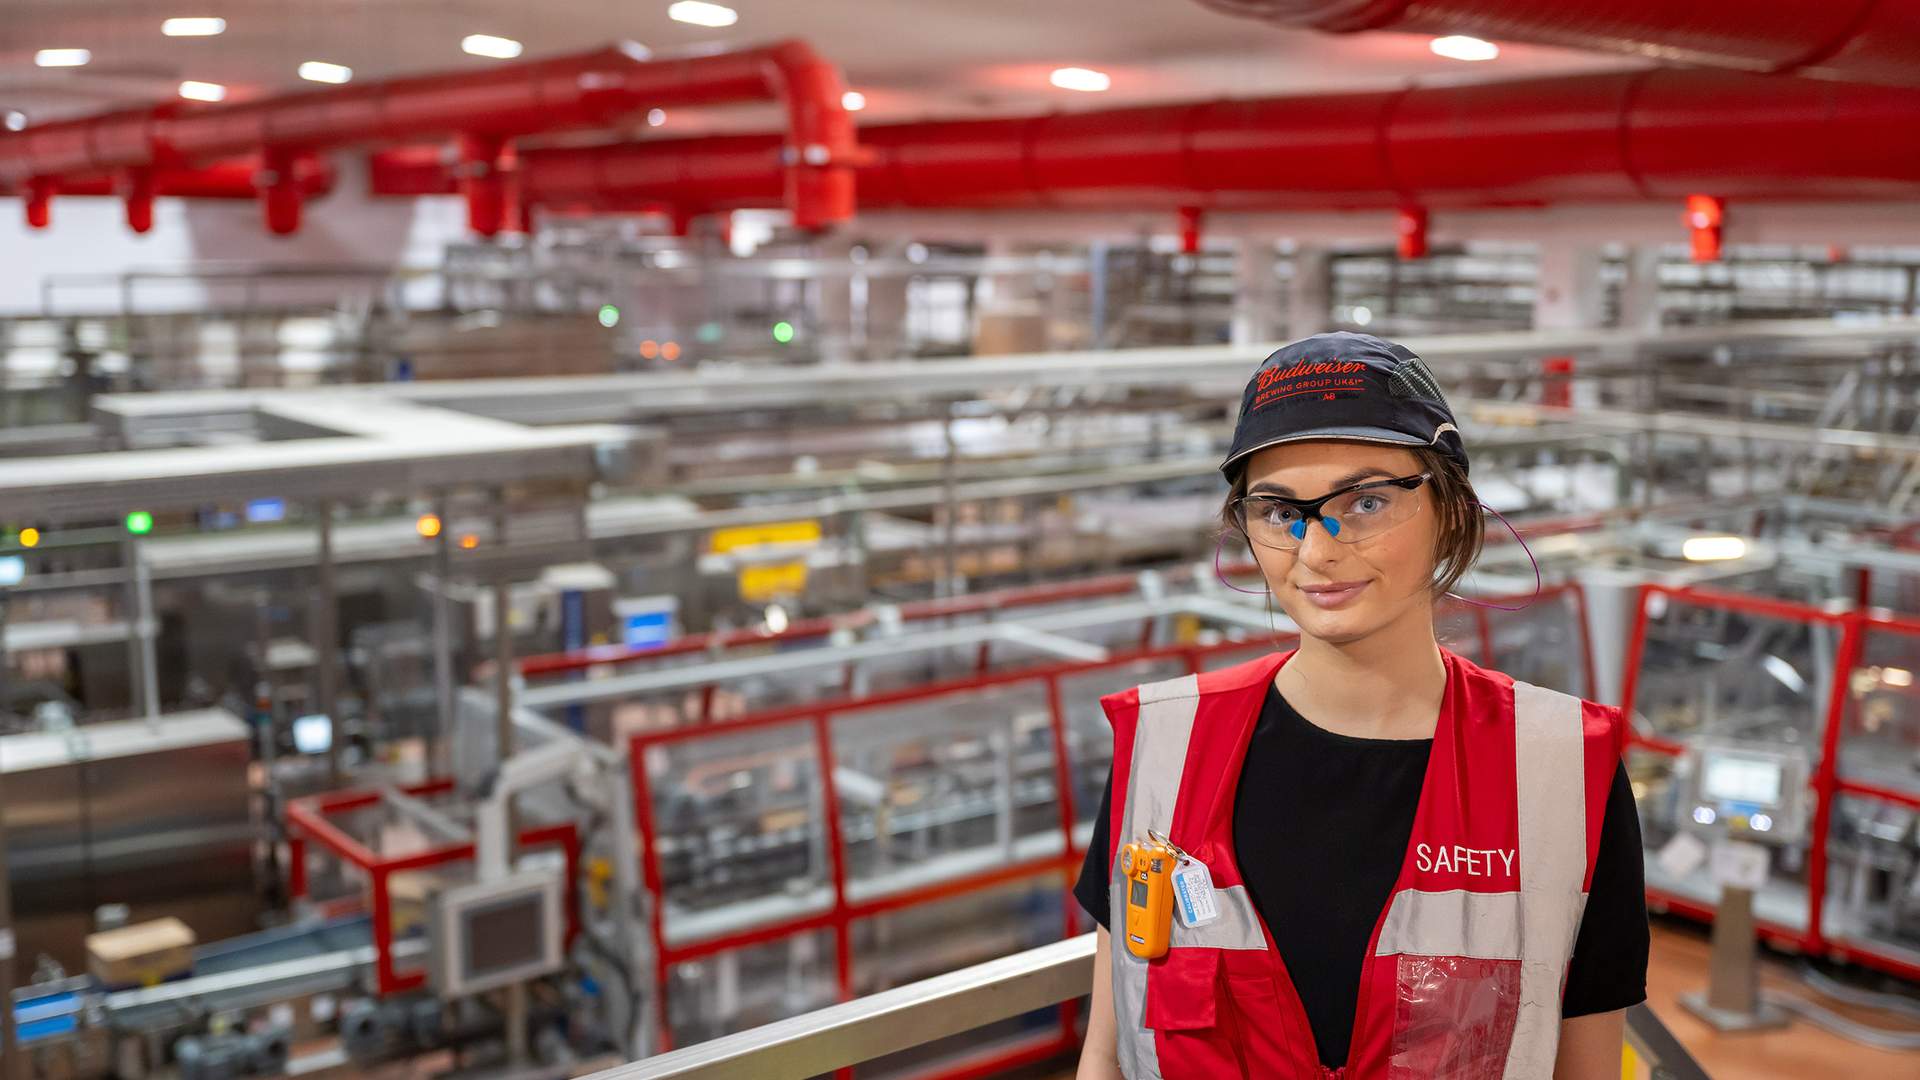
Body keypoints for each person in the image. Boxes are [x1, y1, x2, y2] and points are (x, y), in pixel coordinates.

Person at [1073, 332, 1648, 1080]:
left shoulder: (1561, 771)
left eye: (1368, 500)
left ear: (1449, 508)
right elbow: (1108, 1053)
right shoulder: (1162, 745)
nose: (1317, 551)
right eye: (1281, 512)